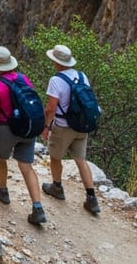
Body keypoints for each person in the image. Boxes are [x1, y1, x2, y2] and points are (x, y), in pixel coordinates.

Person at [0, 46, 47, 226]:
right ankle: (37, 207)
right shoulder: (23, 78)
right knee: (27, 167)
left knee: (0, 158)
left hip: (7, 129)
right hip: (27, 127)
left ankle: (2, 191)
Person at [41, 43, 101, 215]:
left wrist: (45, 126)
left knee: (55, 157)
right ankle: (91, 198)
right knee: (81, 160)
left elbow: (51, 107)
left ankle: (57, 187)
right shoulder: (82, 76)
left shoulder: (56, 80)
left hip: (63, 127)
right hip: (83, 126)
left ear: (56, 62)